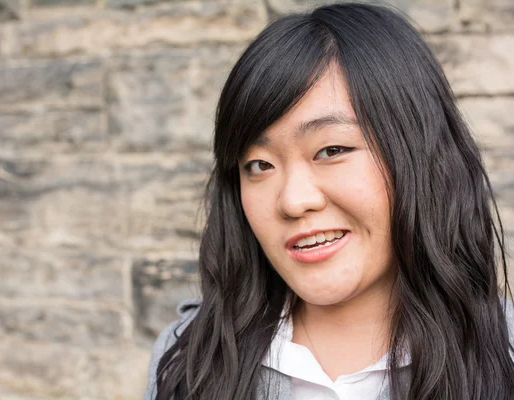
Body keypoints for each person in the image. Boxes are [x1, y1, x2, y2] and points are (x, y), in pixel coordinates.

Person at [144, 2, 514, 399]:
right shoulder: (190, 358)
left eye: (332, 150)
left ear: (417, 154)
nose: (293, 201)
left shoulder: (503, 353)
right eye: (259, 165)